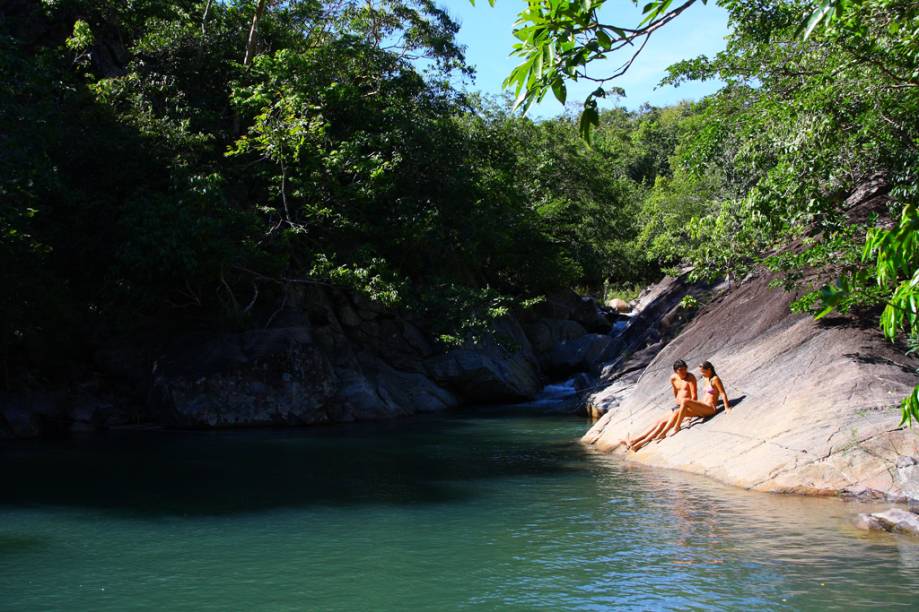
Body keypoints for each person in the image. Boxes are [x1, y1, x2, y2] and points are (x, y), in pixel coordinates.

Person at [616, 360, 697, 452]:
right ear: (675, 371)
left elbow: (694, 395)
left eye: (684, 369)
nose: (683, 372)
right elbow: (676, 391)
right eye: (680, 371)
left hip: (686, 407)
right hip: (677, 406)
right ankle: (635, 440)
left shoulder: (691, 377)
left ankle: (640, 443)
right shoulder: (673, 378)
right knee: (657, 422)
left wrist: (690, 413)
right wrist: (677, 401)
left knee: (662, 424)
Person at [650, 360, 730, 443]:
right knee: (677, 411)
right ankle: (663, 433)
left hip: (710, 409)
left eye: (703, 371)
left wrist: (727, 407)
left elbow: (722, 393)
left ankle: (677, 427)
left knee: (685, 401)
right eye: (701, 372)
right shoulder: (706, 378)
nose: (702, 374)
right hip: (702, 409)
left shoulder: (715, 379)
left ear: (709, 369)